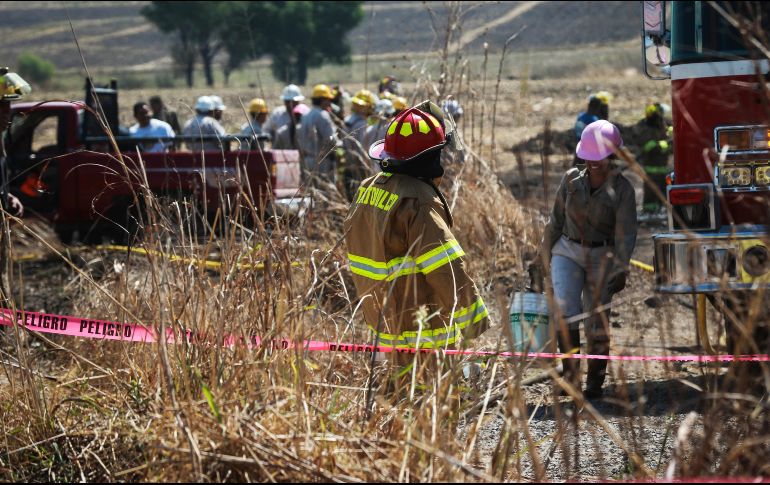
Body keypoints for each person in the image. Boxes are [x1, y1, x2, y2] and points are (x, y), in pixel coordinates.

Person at [344, 102, 489, 384]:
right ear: (429, 159)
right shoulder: (419, 201)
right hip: (422, 326)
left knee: (400, 405)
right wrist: (474, 322)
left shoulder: (368, 189)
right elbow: (446, 267)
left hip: (383, 321)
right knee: (435, 406)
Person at [535, 120, 637, 400]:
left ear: (613, 156)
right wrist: (542, 256)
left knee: (596, 320)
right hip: (567, 250)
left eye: (600, 159)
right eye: (589, 159)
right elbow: (555, 221)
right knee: (566, 313)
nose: (594, 164)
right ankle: (569, 378)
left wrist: (621, 265)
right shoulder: (570, 180)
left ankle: (594, 383)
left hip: (601, 255)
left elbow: (626, 234)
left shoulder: (623, 190)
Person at [297, 84, 341, 184]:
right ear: (323, 100)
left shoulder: (305, 115)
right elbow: (332, 140)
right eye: (328, 100)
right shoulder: (323, 115)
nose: (329, 102)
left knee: (311, 195)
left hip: (307, 162)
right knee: (325, 195)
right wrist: (342, 148)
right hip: (322, 163)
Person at [634, 102, 673, 214]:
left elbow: (669, 145)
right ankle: (649, 212)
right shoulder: (644, 127)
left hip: (663, 167)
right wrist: (661, 145)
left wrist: (667, 143)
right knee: (651, 192)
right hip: (651, 168)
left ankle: (661, 210)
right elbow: (646, 146)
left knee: (663, 190)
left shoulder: (662, 126)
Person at [342, 89, 378, 199]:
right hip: (359, 168)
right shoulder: (361, 124)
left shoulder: (348, 120)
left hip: (347, 165)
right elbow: (363, 148)